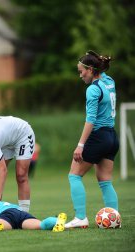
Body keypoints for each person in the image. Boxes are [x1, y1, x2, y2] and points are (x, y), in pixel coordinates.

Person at [65, 50, 119, 229]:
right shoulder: (109, 81)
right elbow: (102, 73)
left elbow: (90, 120)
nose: (80, 75)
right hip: (112, 136)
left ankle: (80, 217)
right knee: (105, 180)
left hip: (99, 137)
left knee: (74, 175)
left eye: (81, 71)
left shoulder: (93, 90)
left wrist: (80, 145)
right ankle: (114, 220)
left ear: (90, 69)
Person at [0, 201, 67, 232]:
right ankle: (57, 220)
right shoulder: (4, 203)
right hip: (20, 213)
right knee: (42, 225)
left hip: (7, 214)